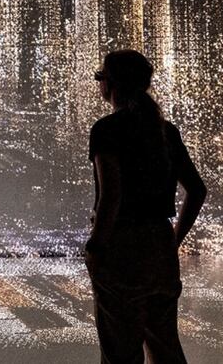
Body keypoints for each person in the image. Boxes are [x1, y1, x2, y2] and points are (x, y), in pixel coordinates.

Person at [85, 50, 207, 364]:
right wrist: (173, 240)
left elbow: (111, 196)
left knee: (120, 352)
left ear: (109, 84)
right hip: (160, 245)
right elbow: (196, 190)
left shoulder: (107, 130)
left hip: (121, 248)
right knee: (165, 347)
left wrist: (96, 246)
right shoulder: (165, 131)